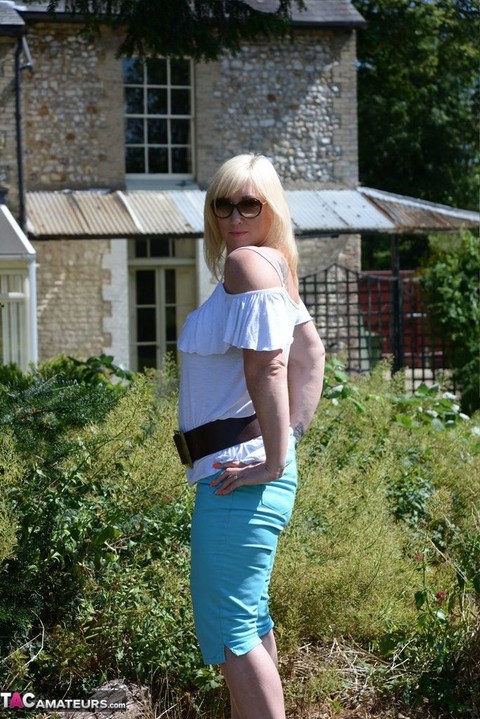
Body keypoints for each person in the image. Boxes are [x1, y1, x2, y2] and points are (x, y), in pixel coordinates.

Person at [175, 153, 325, 719]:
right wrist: (286, 443)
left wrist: (272, 458)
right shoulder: (273, 269)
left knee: (229, 628)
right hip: (247, 473)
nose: (233, 215)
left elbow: (271, 368)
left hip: (237, 478)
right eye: (222, 203)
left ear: (271, 208)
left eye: (248, 203)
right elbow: (313, 352)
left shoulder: (245, 265)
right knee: (247, 621)